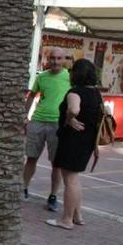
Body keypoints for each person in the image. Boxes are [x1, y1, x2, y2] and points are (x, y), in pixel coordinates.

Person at [46, 59, 103, 230]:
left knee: (70, 179)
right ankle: (77, 215)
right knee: (75, 179)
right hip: (87, 140)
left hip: (73, 139)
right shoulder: (95, 93)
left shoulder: (75, 92)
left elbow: (74, 109)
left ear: (76, 74)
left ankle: (67, 219)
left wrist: (70, 118)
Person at [24, 47, 69, 211]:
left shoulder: (69, 77)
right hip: (37, 121)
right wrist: (25, 116)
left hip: (58, 124)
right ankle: (24, 188)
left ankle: (53, 196)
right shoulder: (41, 77)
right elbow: (31, 96)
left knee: (56, 164)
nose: (55, 61)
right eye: (52, 58)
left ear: (64, 60)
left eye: (58, 58)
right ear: (47, 60)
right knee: (31, 158)